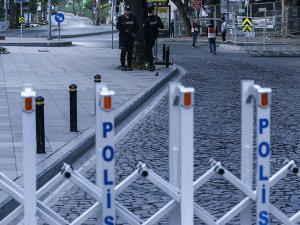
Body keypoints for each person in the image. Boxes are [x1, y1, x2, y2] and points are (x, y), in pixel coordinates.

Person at [116, 5, 139, 71]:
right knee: (123, 52)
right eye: (126, 10)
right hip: (123, 37)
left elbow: (136, 27)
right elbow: (118, 27)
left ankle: (129, 65)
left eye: (128, 11)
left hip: (131, 37)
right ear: (124, 10)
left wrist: (134, 32)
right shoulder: (121, 18)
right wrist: (124, 30)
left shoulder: (133, 18)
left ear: (130, 11)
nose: (127, 12)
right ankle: (123, 65)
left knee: (130, 52)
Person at [143, 5, 164, 71]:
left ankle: (150, 64)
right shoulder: (157, 18)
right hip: (154, 37)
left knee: (148, 50)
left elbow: (144, 30)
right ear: (152, 11)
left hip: (147, 37)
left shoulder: (146, 20)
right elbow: (162, 26)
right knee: (149, 50)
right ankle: (149, 63)